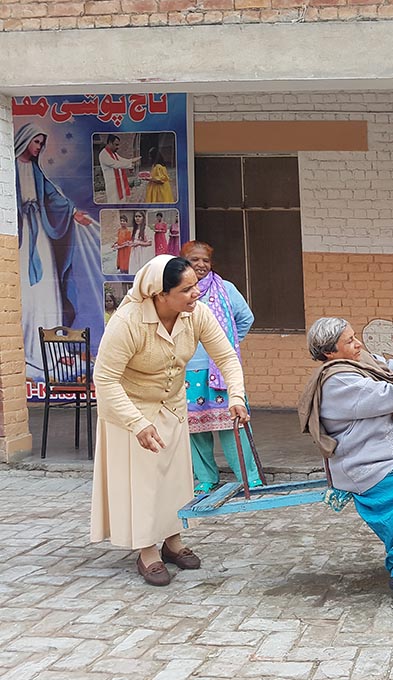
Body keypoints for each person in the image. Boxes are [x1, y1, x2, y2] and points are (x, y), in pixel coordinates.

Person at [91, 255, 250, 587]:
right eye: (187, 289)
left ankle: (173, 541)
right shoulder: (128, 321)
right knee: (144, 481)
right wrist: (137, 423)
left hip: (171, 404)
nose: (197, 294)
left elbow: (226, 356)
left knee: (175, 479)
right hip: (129, 408)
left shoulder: (196, 315)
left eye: (196, 287)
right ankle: (147, 550)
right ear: (160, 294)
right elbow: (105, 379)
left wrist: (236, 396)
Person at [298, 318, 393, 598]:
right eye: (349, 341)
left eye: (354, 336)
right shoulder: (337, 381)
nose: (358, 343)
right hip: (364, 465)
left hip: (390, 454)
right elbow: (391, 395)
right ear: (329, 353)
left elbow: (390, 369)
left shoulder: (359, 361)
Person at [15, 123, 104, 380]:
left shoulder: (34, 169)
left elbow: (53, 196)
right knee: (25, 292)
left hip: (39, 235)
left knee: (47, 290)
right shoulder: (8, 168)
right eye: (37, 142)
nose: (39, 147)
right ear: (26, 140)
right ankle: (25, 351)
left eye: (42, 143)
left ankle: (48, 353)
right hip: (20, 237)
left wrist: (74, 212)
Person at [181, 241, 262, 493]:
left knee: (233, 422)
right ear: (184, 262)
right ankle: (206, 478)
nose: (201, 265)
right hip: (188, 369)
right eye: (195, 260)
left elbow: (246, 318)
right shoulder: (176, 292)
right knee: (195, 428)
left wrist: (226, 345)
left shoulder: (225, 289)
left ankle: (248, 477)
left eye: (205, 260)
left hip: (221, 371)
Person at [98, 134, 139, 203]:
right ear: (110, 143)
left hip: (120, 182)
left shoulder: (114, 153)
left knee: (122, 201)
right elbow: (116, 164)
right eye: (116, 145)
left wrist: (132, 160)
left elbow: (121, 160)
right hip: (112, 185)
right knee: (114, 202)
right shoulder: (103, 154)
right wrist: (130, 164)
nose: (118, 147)